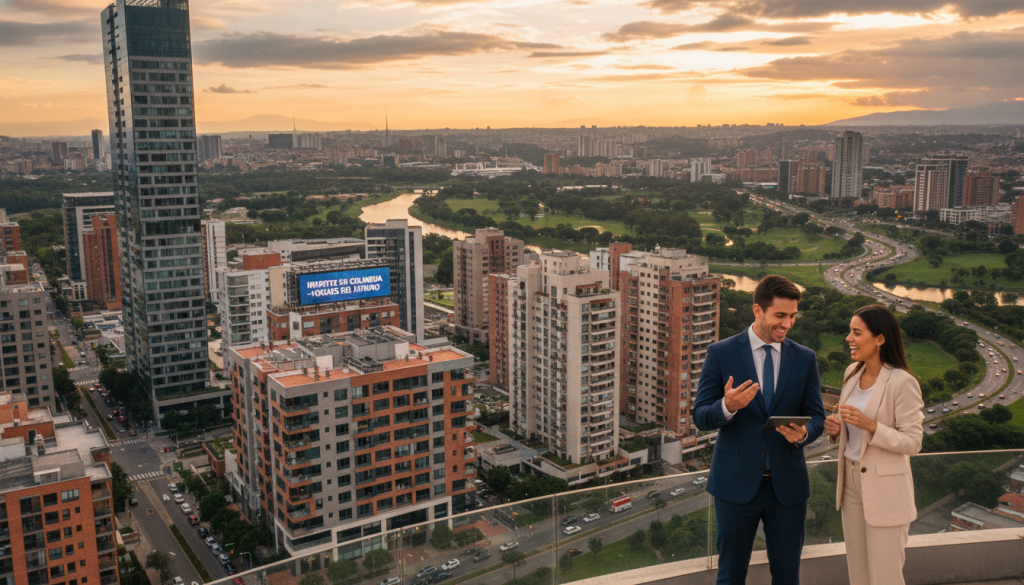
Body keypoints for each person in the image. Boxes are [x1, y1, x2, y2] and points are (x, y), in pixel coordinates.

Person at [694, 275, 826, 585]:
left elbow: (816, 416)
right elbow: (700, 417)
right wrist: (728, 406)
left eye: (792, 316)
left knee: (787, 577)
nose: (787, 324)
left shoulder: (805, 358)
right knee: (730, 578)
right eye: (780, 315)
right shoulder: (721, 353)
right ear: (758, 310)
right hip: (735, 486)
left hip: (788, 488)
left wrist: (805, 434)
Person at [824, 305, 923, 585]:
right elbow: (851, 431)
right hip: (850, 484)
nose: (849, 338)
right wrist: (835, 431)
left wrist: (872, 426)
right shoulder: (851, 373)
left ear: (879, 339)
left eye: (857, 332)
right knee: (859, 574)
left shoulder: (902, 382)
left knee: (885, 577)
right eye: (849, 332)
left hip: (886, 490)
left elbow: (914, 442)